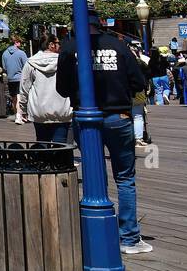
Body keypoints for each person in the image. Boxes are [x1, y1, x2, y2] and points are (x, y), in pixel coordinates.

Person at [56, 20, 152, 254]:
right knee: (125, 178)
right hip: (118, 116)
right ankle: (129, 237)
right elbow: (139, 82)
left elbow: (62, 88)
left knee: (93, 173)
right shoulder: (119, 46)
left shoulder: (69, 48)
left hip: (85, 117)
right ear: (100, 24)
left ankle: (95, 231)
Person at [21, 35, 72, 143]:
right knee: (61, 145)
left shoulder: (31, 62)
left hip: (39, 111)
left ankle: (44, 159)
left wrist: (23, 108)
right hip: (62, 111)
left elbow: (24, 88)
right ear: (51, 45)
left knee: (42, 143)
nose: (60, 46)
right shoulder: (65, 60)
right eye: (58, 43)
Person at [2, 36, 29, 124]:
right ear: (16, 42)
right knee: (19, 97)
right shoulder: (21, 53)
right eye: (20, 42)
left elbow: (4, 67)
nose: (20, 44)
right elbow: (27, 66)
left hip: (10, 78)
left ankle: (17, 114)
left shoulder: (5, 53)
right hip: (20, 78)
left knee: (14, 98)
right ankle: (19, 116)